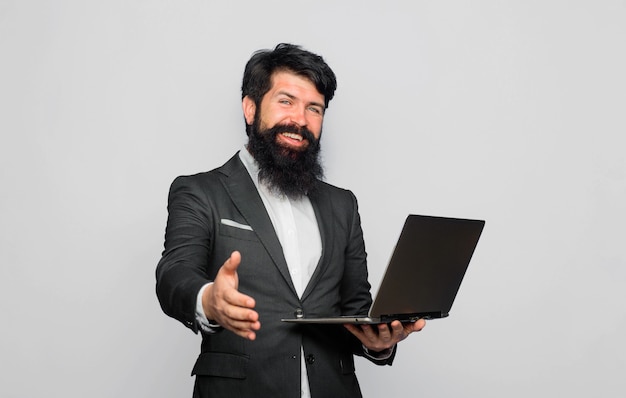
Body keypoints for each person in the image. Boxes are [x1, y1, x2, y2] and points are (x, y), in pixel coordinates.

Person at [155, 43, 426, 398]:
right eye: (286, 101)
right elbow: (174, 273)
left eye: (314, 108)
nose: (300, 120)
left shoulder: (343, 205)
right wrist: (208, 301)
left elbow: (356, 309)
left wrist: (380, 343)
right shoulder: (199, 191)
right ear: (250, 109)